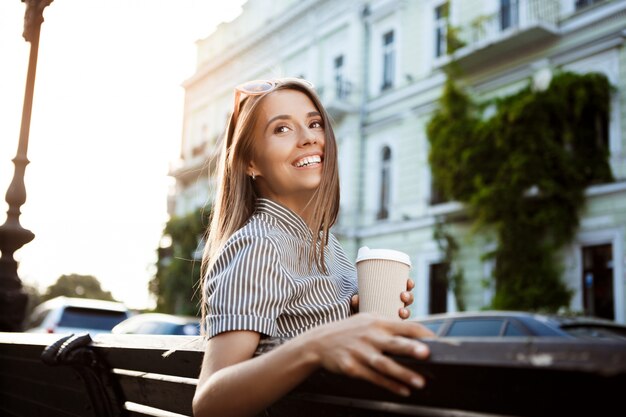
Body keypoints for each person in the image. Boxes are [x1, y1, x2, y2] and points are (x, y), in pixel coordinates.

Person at [193, 78, 434, 417]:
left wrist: (356, 317)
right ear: (250, 163)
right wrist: (318, 345)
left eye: (314, 123)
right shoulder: (259, 244)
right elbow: (209, 404)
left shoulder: (326, 245)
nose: (308, 137)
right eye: (281, 129)